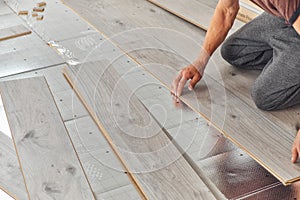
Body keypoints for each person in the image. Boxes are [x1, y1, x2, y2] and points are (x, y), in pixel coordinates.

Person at [171, 0, 300, 162]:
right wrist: (200, 62)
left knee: (264, 94)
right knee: (232, 51)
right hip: (287, 19)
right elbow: (226, 10)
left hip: (293, 14)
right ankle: (290, 54)